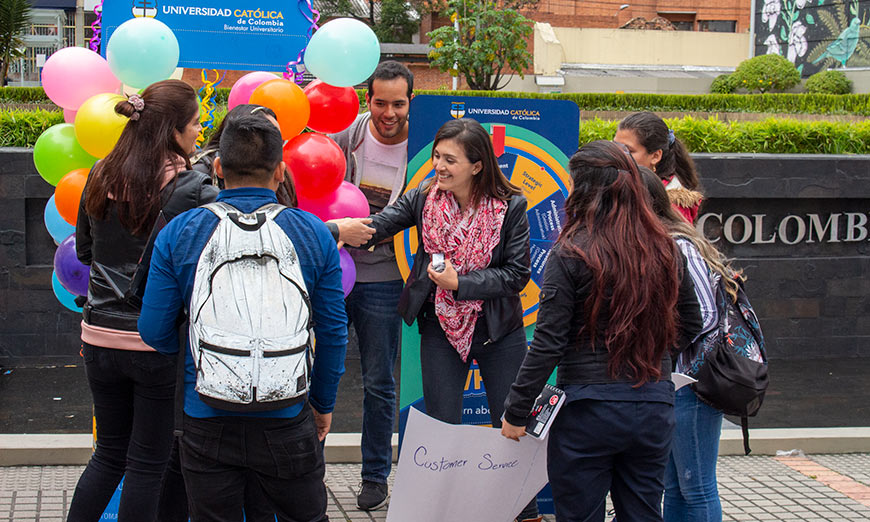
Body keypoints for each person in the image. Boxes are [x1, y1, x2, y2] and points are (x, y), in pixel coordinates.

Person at [138, 112, 347, 521]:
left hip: (206, 416)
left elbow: (153, 330)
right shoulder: (312, 232)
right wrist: (322, 403)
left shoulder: (181, 231)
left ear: (217, 168)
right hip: (288, 415)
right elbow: (334, 331)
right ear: (281, 171)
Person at [347, 117, 540, 522]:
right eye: (437, 156)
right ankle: (443, 510)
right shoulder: (423, 198)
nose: (440, 166)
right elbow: (379, 226)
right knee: (441, 426)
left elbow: (516, 274)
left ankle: (525, 513)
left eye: (450, 160)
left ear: (477, 165)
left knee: (512, 423)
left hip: (498, 330)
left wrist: (462, 282)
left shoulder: (512, 206)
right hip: (440, 327)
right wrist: (335, 229)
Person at [501, 140, 703, 522]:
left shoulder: (572, 252)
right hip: (653, 405)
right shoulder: (665, 248)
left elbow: (548, 343)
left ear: (583, 190)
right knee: (643, 513)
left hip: (587, 410)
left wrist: (516, 409)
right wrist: (653, 353)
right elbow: (692, 322)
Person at [69, 79, 218, 521]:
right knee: (147, 464)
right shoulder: (191, 188)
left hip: (98, 339)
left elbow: (85, 252)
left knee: (108, 456)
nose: (198, 131)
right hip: (152, 343)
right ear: (172, 129)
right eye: (194, 123)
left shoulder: (100, 174)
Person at [328, 59, 412, 511]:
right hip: (334, 273)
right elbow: (315, 190)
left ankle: (375, 476)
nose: (389, 113)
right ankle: (303, 469)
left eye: (398, 103)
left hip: (386, 279)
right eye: (381, 102)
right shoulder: (348, 136)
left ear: (410, 102)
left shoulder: (424, 146)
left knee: (380, 383)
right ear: (369, 99)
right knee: (320, 372)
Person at [640, 166, 741, 522]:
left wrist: (667, 351)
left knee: (696, 485)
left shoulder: (679, 244)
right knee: (674, 484)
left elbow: (704, 315)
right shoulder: (656, 242)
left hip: (691, 384)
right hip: (672, 382)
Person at [614, 111, 704, 223]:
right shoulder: (621, 183)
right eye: (616, 147)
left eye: (628, 151)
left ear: (655, 156)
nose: (618, 155)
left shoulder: (674, 204)